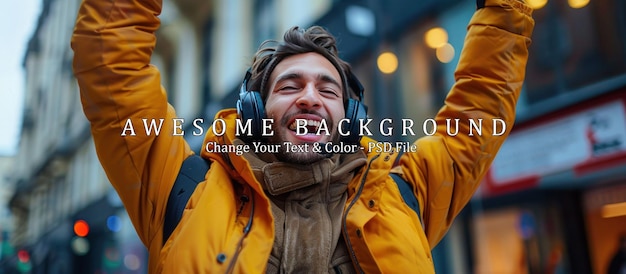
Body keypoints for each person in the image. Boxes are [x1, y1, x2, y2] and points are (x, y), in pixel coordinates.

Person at [71, 0, 534, 272]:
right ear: (254, 111)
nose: (310, 98)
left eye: (327, 89)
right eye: (289, 86)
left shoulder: (404, 194)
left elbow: (481, 107)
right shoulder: (182, 189)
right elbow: (113, 70)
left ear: (350, 117)